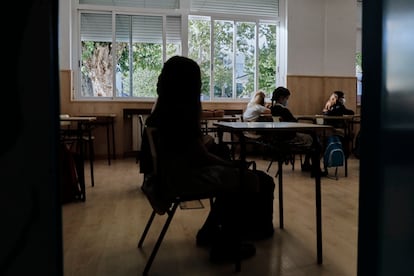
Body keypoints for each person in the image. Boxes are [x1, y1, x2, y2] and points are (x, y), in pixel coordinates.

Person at [139, 55, 259, 263]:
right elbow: (199, 156)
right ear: (189, 84)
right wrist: (230, 164)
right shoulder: (181, 114)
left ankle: (210, 232)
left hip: (164, 177)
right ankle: (226, 246)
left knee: (232, 175)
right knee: (246, 179)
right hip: (179, 180)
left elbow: (189, 150)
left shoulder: (162, 111)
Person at [269, 86, 315, 171]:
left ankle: (307, 164)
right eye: (287, 98)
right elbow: (294, 123)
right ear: (281, 98)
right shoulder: (284, 111)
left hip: (278, 137)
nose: (287, 101)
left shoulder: (272, 109)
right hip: (289, 138)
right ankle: (311, 166)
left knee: (311, 137)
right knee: (314, 140)